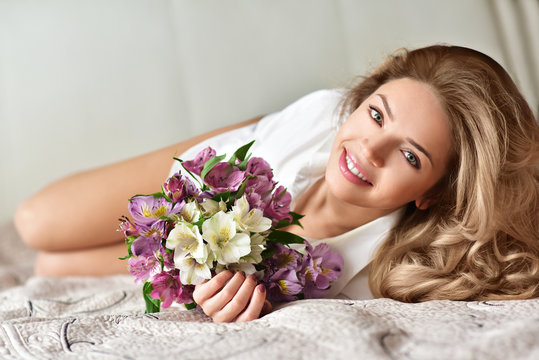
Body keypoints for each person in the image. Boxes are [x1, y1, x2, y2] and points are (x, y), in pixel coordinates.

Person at [14, 45, 539, 323]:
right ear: (360, 101)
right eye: (377, 115)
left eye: (409, 155)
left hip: (210, 252)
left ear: (431, 193)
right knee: (32, 221)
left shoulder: (373, 279)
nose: (368, 150)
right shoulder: (321, 118)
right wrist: (198, 170)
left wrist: (223, 300)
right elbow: (219, 147)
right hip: (214, 164)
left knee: (51, 265)